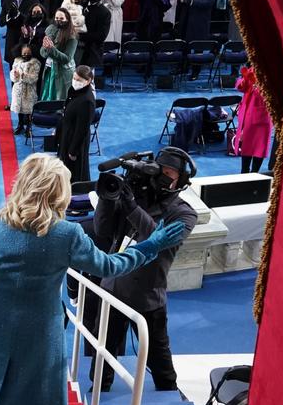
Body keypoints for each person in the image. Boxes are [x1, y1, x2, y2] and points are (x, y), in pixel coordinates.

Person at [0, 154, 186, 405]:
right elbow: (110, 265)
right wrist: (151, 245)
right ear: (57, 191)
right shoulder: (67, 234)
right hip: (42, 325)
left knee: (2, 370)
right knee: (39, 385)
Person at [83, 148, 199, 392]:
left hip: (147, 297)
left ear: (182, 180)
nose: (164, 177)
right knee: (103, 354)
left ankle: (169, 397)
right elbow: (103, 229)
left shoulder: (185, 213)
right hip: (113, 289)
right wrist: (108, 197)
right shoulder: (134, 195)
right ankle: (98, 393)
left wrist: (132, 207)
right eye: (162, 171)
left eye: (171, 173)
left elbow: (157, 238)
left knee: (160, 360)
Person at [57, 66, 96, 182]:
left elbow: (82, 130)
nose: (75, 81)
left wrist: (73, 151)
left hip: (75, 142)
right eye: (74, 78)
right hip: (67, 135)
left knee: (75, 173)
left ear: (88, 81)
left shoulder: (87, 101)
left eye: (78, 80)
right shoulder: (75, 91)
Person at [235, 66, 273, 172]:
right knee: (246, 147)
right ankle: (244, 174)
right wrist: (246, 78)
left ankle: (255, 174)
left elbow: (271, 95)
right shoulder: (253, 68)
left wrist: (258, 85)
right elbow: (240, 87)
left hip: (262, 118)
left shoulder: (272, 73)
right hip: (248, 116)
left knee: (259, 148)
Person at [39, 8, 78, 101]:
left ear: (67, 20)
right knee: (47, 98)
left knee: (60, 99)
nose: (58, 21)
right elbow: (42, 52)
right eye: (56, 18)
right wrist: (46, 48)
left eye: (61, 18)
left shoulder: (72, 36)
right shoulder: (51, 30)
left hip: (63, 72)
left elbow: (67, 59)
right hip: (49, 69)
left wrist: (51, 49)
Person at [0, 0, 40, 66]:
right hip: (11, 39)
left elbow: (34, 21)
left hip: (26, 39)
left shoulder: (34, 2)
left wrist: (18, 14)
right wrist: (8, 17)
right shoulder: (7, 1)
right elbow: (1, 22)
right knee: (12, 68)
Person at [77, 0, 112, 72]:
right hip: (76, 48)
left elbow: (101, 36)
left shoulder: (105, 12)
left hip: (92, 50)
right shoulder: (81, 5)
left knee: (87, 79)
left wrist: (80, 36)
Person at [10, 43, 41, 139]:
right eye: (24, 53)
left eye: (28, 53)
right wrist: (14, 75)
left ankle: (28, 127)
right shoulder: (16, 61)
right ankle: (20, 125)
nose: (26, 55)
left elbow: (34, 78)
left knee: (29, 111)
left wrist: (24, 76)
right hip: (18, 90)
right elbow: (13, 76)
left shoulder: (35, 63)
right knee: (19, 109)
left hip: (29, 91)